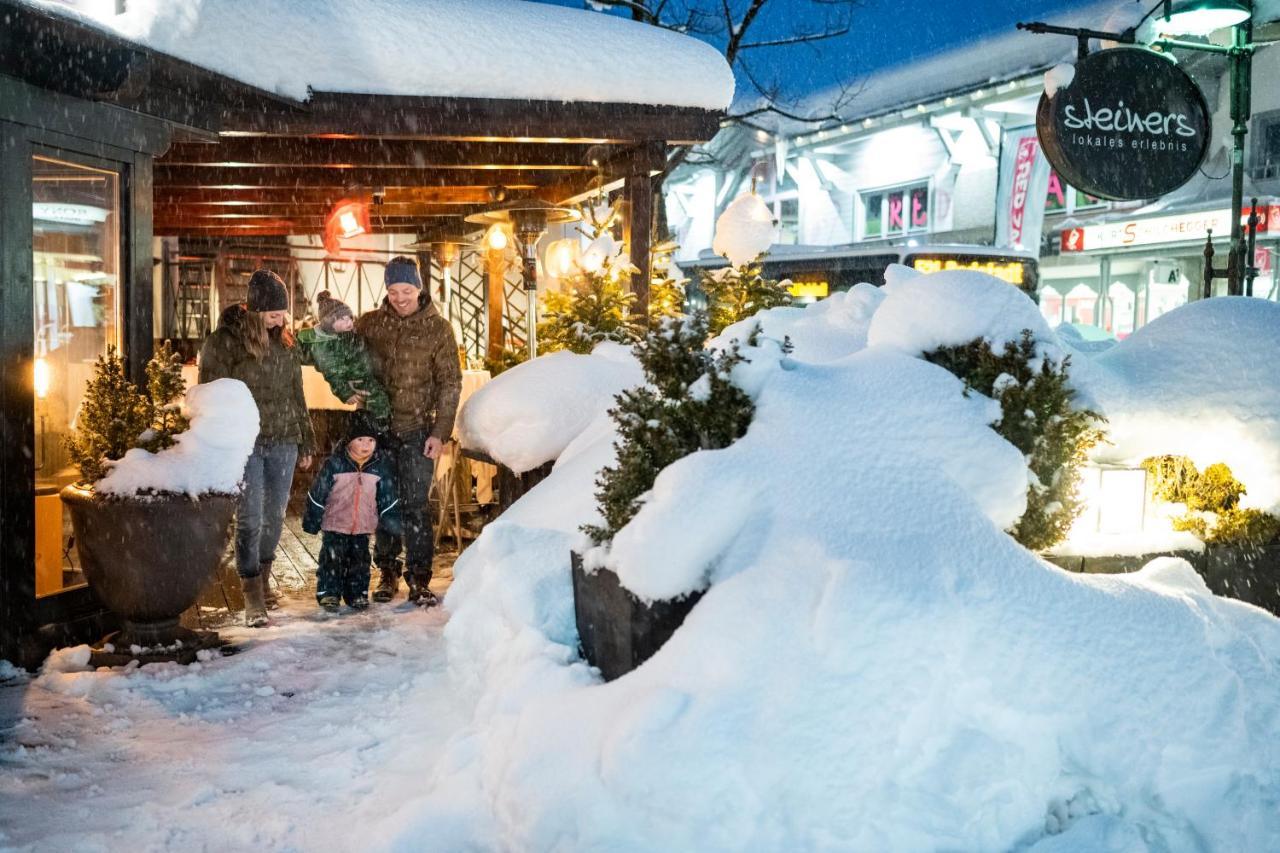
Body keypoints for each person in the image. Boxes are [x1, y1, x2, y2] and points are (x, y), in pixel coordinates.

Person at [199, 269, 314, 627]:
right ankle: (252, 595)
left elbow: (297, 394)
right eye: (272, 311)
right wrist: (217, 441)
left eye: (282, 311)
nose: (279, 317)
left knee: (276, 515)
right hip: (245, 442)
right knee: (250, 517)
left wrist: (306, 439)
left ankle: (263, 580)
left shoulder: (286, 343)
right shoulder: (225, 342)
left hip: (283, 439)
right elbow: (210, 393)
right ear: (254, 309)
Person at [356, 255, 462, 607]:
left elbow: (450, 383)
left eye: (406, 290)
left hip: (419, 430)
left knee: (415, 506)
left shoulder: (439, 329)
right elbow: (347, 362)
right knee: (385, 502)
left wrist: (439, 431)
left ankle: (419, 578)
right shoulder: (370, 325)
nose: (399, 297)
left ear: (419, 288)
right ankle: (387, 572)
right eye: (393, 290)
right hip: (379, 430)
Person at [301, 413, 401, 612]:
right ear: (349, 441)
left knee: (360, 561)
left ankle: (357, 594)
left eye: (371, 440)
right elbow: (317, 494)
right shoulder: (335, 464)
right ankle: (329, 592)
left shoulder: (380, 468)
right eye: (361, 439)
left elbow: (388, 499)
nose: (366, 445)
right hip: (335, 524)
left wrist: (392, 522)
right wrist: (312, 519)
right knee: (332, 559)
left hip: (363, 526)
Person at [297, 291, 393, 430]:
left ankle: (373, 428)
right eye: (341, 319)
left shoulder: (346, 335)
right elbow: (332, 372)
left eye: (348, 317)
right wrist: (345, 392)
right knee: (378, 399)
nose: (348, 321)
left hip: (364, 375)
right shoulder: (325, 345)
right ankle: (378, 429)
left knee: (378, 399)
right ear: (329, 324)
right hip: (357, 378)